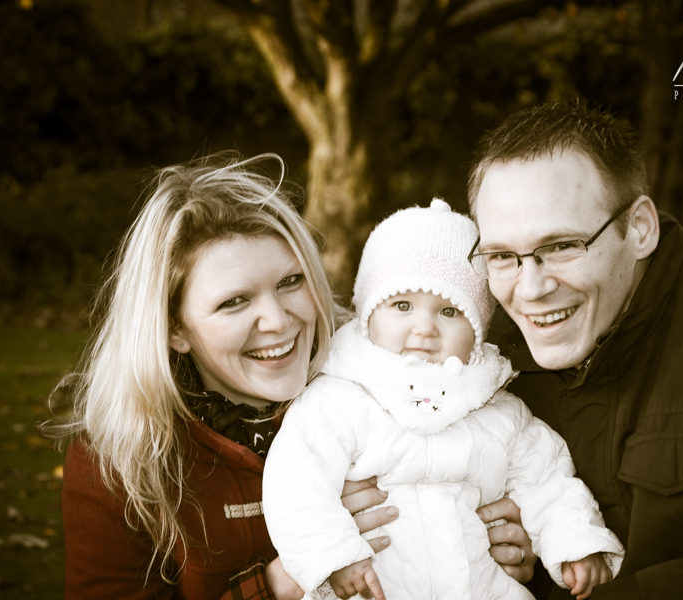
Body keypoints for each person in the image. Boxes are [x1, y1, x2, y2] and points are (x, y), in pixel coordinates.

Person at [48, 153, 531, 600]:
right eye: (234, 302)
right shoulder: (118, 463)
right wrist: (279, 584)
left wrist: (499, 545)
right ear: (175, 328)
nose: (279, 321)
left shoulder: (398, 384)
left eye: (290, 282)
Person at [467, 102, 683, 600]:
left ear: (639, 228)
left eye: (563, 246)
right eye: (503, 255)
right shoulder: (481, 368)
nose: (530, 289)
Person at [263, 199, 625, 600]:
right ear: (367, 314)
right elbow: (296, 481)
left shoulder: (498, 410)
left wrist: (576, 542)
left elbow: (548, 480)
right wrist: (333, 556)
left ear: (478, 331)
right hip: (372, 587)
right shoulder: (337, 400)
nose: (424, 328)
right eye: (402, 305)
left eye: (449, 311)